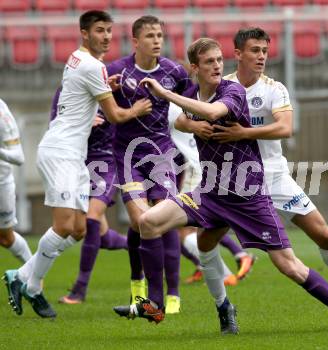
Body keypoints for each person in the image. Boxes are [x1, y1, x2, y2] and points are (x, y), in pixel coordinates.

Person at [113, 38, 328, 334]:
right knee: (148, 223)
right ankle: (156, 305)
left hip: (248, 196)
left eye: (219, 60)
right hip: (210, 193)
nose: (217, 66)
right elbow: (182, 119)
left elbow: (213, 112)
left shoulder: (231, 91)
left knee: (289, 266)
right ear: (195, 67)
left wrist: (166, 94)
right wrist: (190, 124)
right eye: (209, 61)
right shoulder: (193, 92)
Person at [186, 27, 328, 318]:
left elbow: (284, 128)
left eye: (264, 51)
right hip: (234, 183)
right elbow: (184, 117)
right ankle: (223, 306)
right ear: (238, 54)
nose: (261, 57)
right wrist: (193, 125)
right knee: (204, 242)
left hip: (274, 177)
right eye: (254, 51)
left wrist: (243, 133)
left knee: (323, 234)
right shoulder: (220, 87)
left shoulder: (274, 88)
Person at [3, 10, 152, 319]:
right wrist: (137, 108)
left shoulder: (77, 60)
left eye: (110, 30)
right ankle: (31, 287)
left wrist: (104, 86)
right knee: (63, 226)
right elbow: (116, 116)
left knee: (81, 229)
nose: (107, 36)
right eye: (100, 30)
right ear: (84, 33)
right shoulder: (92, 65)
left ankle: (21, 275)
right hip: (61, 152)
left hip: (71, 154)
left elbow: (82, 94)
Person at [106, 15, 193, 314]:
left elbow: (191, 101)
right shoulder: (117, 71)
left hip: (162, 153)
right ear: (135, 41)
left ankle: (173, 295)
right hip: (127, 155)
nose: (157, 40)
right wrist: (117, 101)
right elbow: (101, 106)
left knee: (161, 218)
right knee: (139, 222)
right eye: (150, 36)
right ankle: (138, 286)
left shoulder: (173, 71)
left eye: (160, 35)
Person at [43, 88, 128, 305]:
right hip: (77, 162)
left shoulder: (110, 91)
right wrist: (80, 123)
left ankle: (79, 290)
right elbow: (55, 124)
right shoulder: (64, 92)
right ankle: (146, 248)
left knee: (91, 219)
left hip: (107, 163)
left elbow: (122, 118)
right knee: (103, 236)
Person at [168, 101, 253, 285]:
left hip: (197, 170)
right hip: (204, 168)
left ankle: (224, 274)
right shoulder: (193, 104)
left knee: (183, 230)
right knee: (200, 226)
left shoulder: (169, 108)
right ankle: (231, 260)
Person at [0, 99, 32, 264]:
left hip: (1, 182)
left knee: (5, 238)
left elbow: (18, 157)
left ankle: (33, 273)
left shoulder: (2, 112)